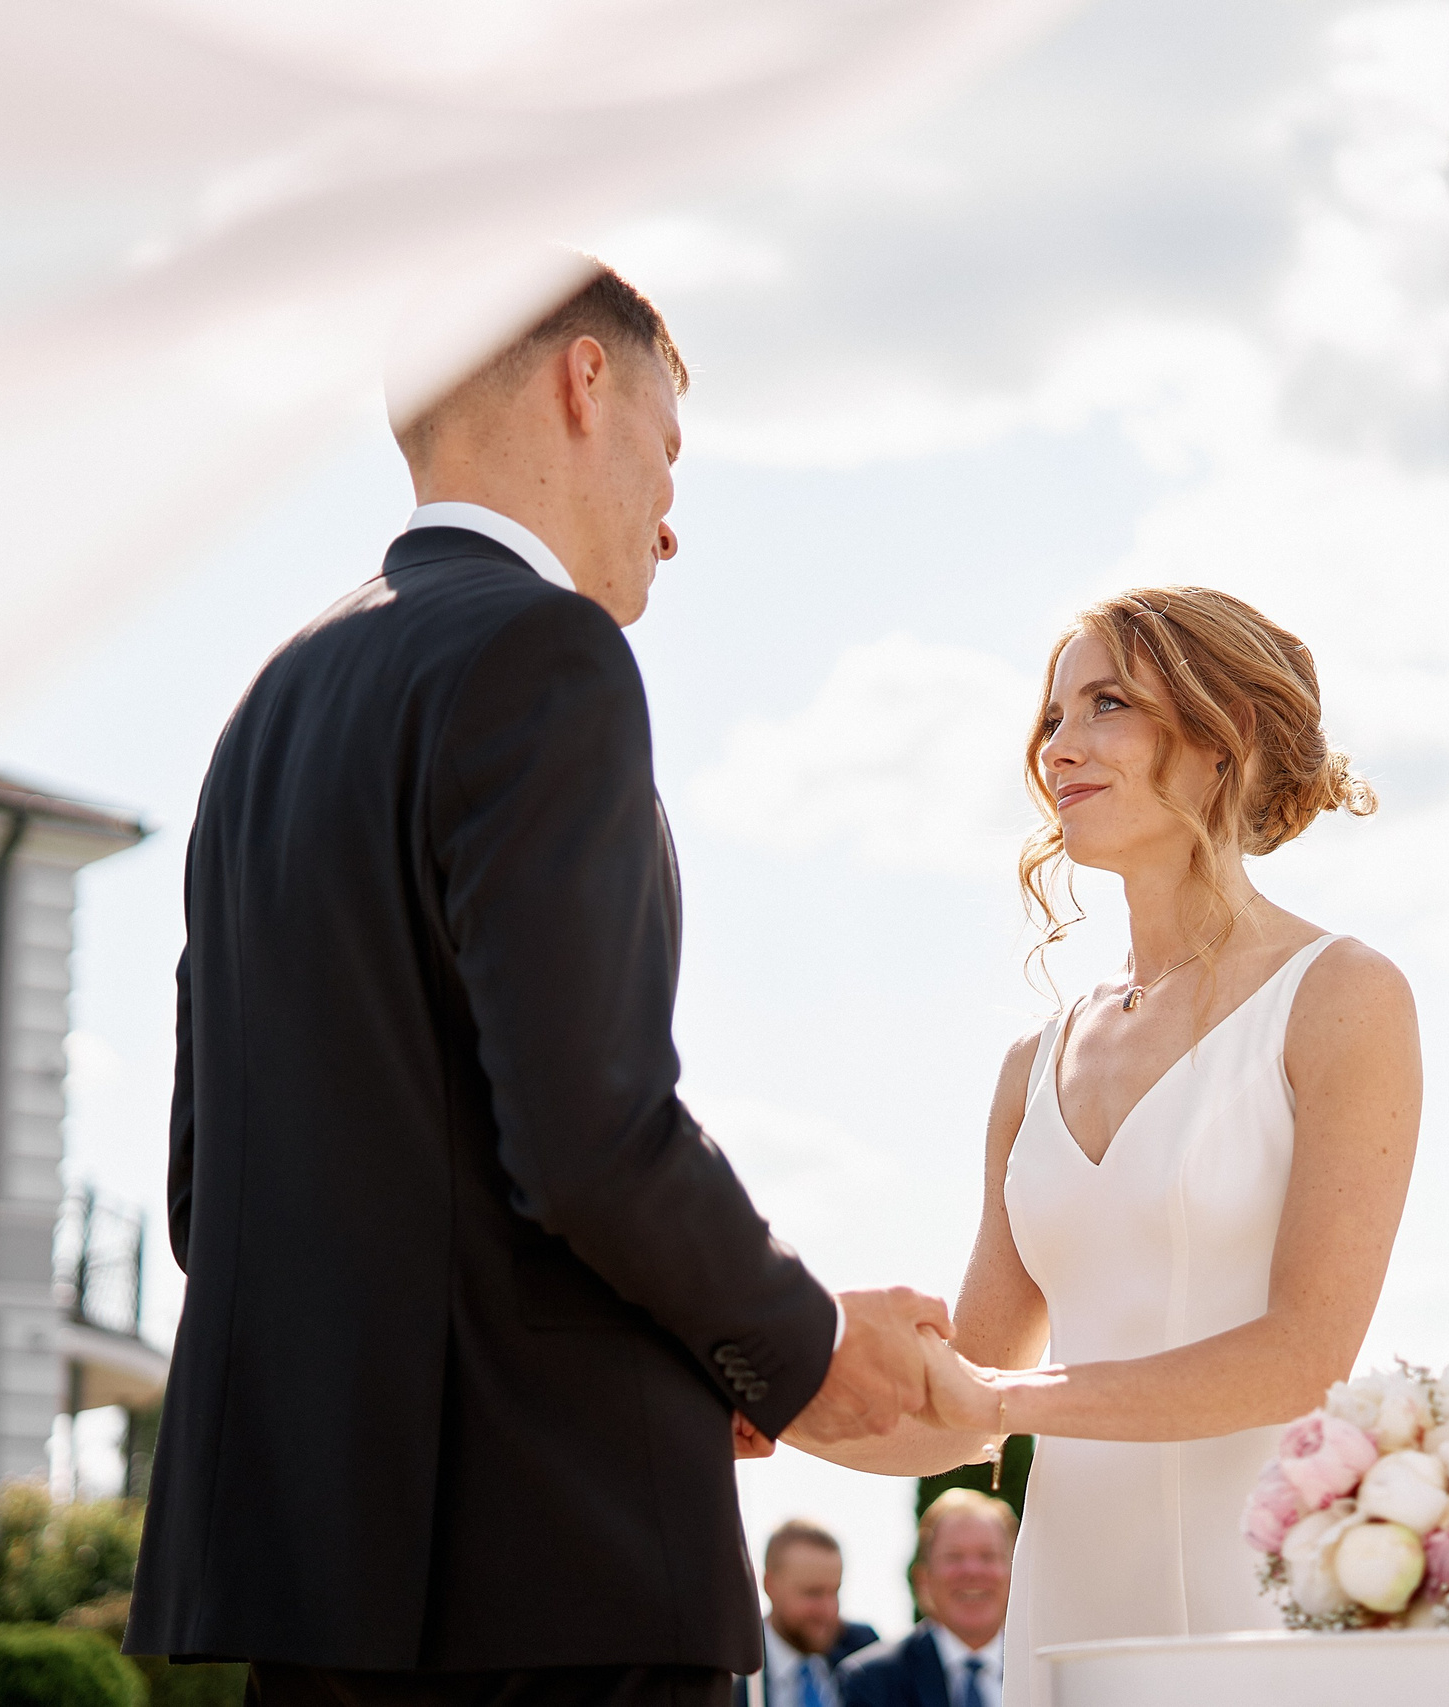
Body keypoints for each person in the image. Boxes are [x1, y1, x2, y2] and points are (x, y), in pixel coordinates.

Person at [125, 261, 954, 1707]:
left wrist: (691, 1354)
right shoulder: (542, 648)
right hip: (562, 1581)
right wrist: (797, 1349)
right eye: (669, 447)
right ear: (585, 379)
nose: (673, 517)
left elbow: (216, 1194)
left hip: (321, 1588)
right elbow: (586, 1138)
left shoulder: (270, 702)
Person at [800, 588, 1422, 1705]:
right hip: (1063, 1625)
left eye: (1105, 704)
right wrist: (751, 1409)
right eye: (1050, 717)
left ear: (1220, 735)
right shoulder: (1030, 1064)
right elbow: (955, 1398)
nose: (1058, 749)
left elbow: (1303, 1355)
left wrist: (1002, 1401)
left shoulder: (1341, 998)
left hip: (1250, 1614)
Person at [837, 1492, 1015, 1707]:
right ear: (924, 1578)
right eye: (954, 1556)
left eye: (988, 1556)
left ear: (1014, 1572)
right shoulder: (871, 1681)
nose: (972, 1570)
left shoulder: (1048, 1673)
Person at [733, 1520, 878, 1707]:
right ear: (770, 1585)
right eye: (813, 1593)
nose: (829, 1610)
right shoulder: (736, 1668)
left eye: (835, 1591)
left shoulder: (865, 1652)